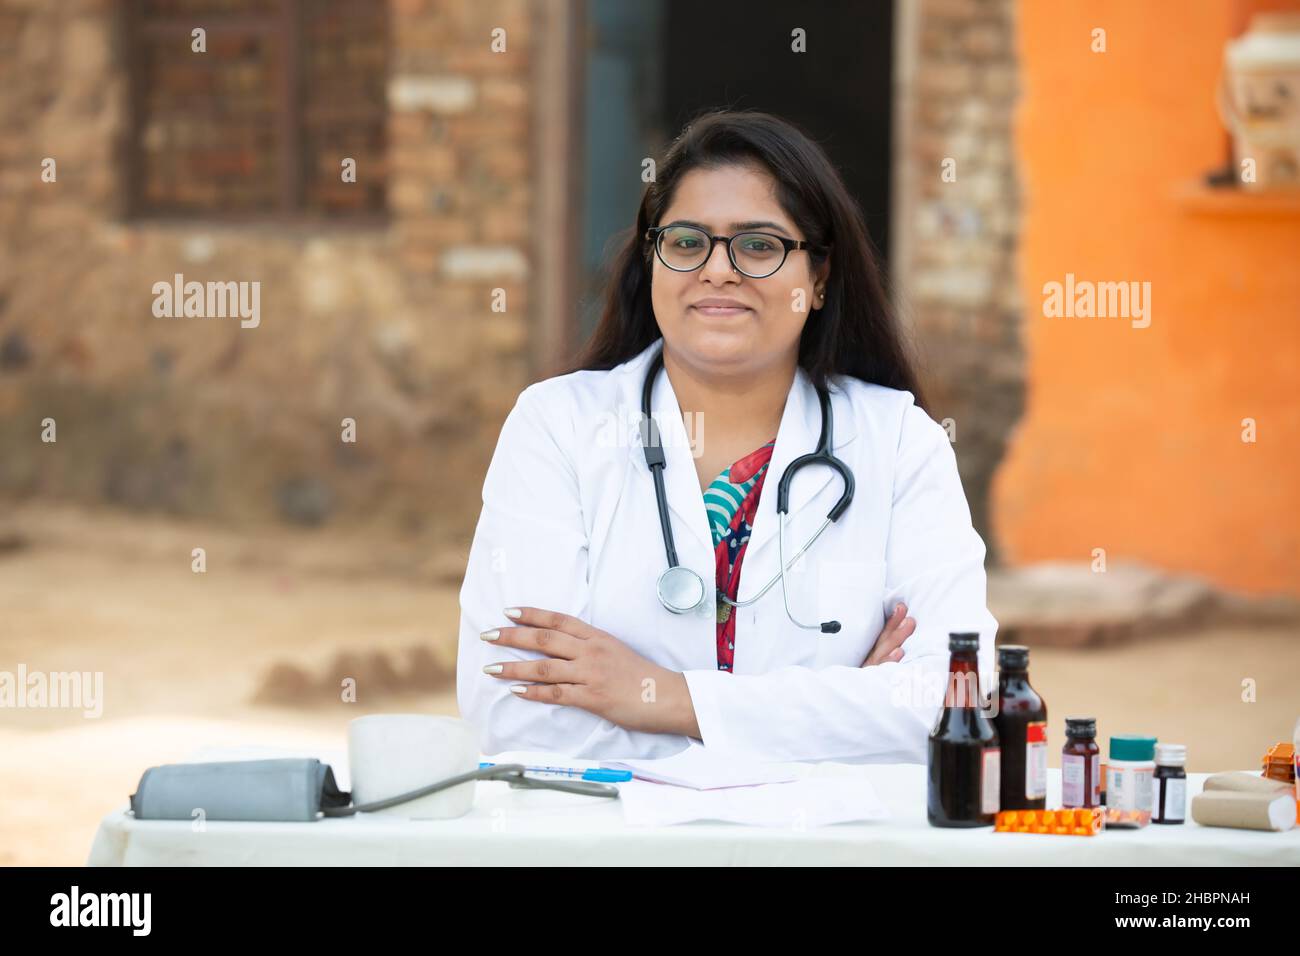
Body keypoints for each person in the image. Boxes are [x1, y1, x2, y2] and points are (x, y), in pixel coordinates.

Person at [457, 109, 997, 762]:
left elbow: (955, 702)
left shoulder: (900, 443)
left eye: (759, 245)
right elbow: (517, 720)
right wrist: (841, 708)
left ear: (818, 279)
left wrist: (665, 697)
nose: (718, 270)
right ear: (652, 261)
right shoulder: (558, 429)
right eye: (686, 242)